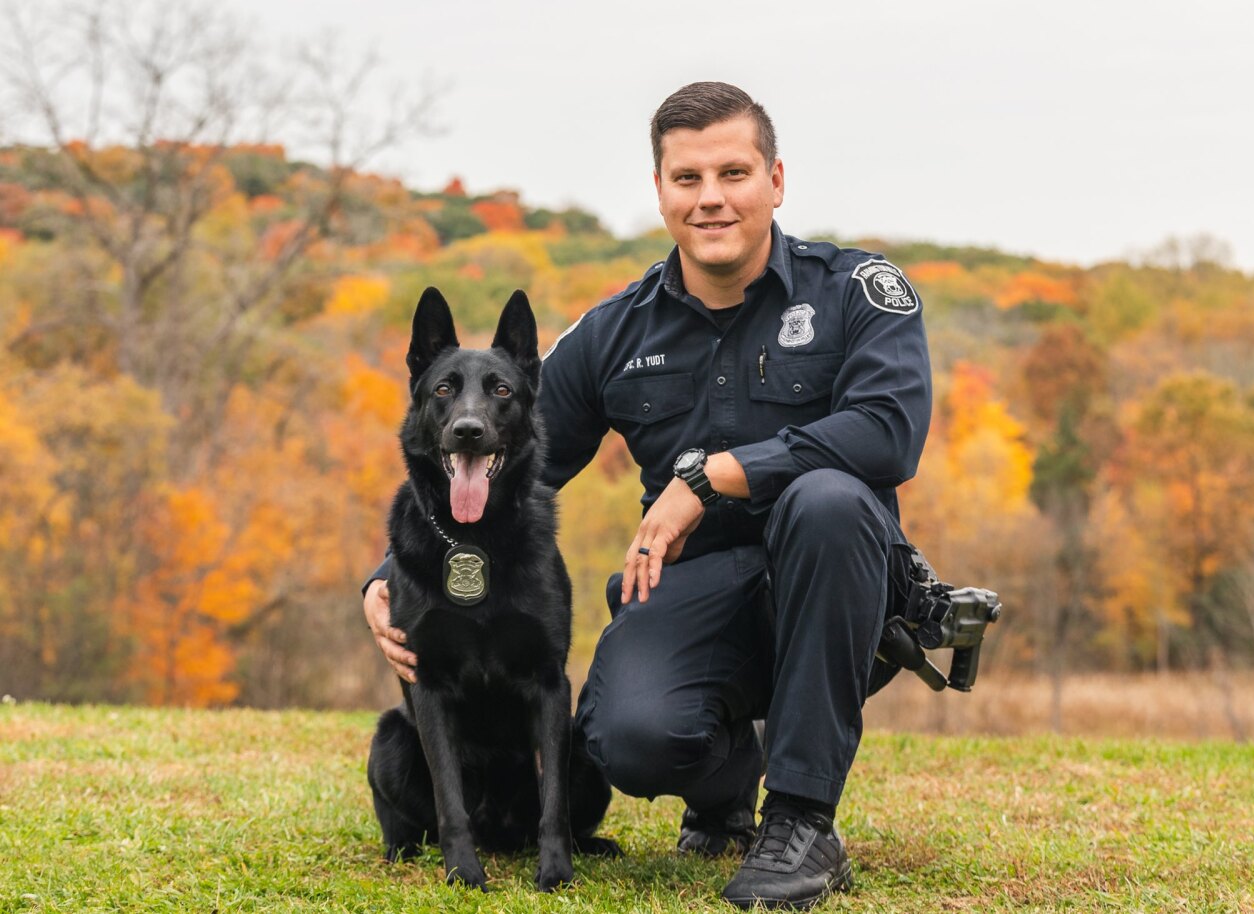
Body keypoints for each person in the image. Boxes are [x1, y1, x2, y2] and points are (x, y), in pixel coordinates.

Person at [362, 81, 932, 909]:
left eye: (733, 173)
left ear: (776, 179)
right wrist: (391, 577)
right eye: (688, 178)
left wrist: (711, 479)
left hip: (841, 584)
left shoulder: (855, 291)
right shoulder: (614, 331)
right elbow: (505, 453)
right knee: (623, 737)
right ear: (661, 191)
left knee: (830, 503)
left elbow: (889, 430)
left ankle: (802, 822)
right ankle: (725, 784)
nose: (712, 199)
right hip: (695, 592)